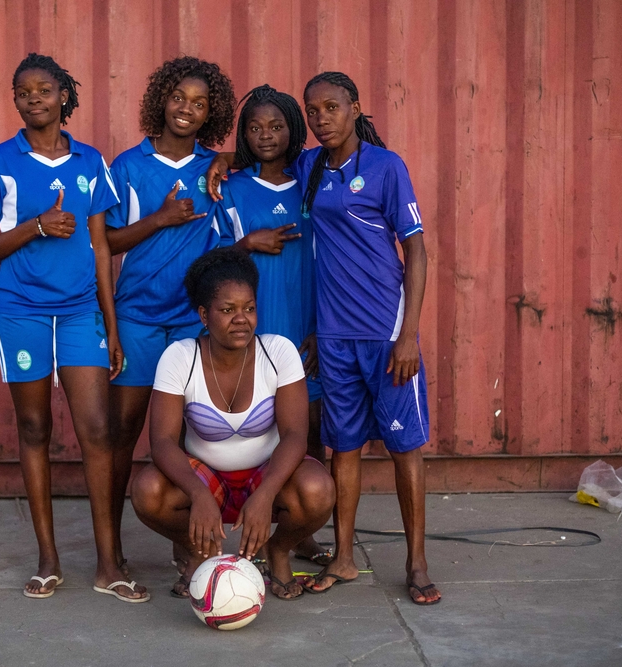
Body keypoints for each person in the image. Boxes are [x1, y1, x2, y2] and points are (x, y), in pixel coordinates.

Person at [207, 72, 440, 605]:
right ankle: (343, 558)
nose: (321, 118)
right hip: (333, 338)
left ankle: (417, 563)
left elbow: (416, 250)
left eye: (331, 107)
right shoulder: (309, 166)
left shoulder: (386, 166)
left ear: (355, 107)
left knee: (405, 448)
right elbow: (263, 151)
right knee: (343, 448)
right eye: (313, 111)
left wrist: (409, 334)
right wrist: (223, 159)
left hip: (385, 334)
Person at [0, 53, 147, 602]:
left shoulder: (90, 161)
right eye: (23, 93)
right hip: (20, 311)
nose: (34, 99)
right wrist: (36, 227)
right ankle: (48, 559)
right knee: (34, 429)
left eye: (44, 90)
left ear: (64, 95)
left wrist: (111, 326)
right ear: (15, 101)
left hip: (78, 313)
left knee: (97, 430)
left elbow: (102, 248)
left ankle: (109, 564)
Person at [130, 247, 335, 600]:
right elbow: (162, 441)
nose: (241, 319)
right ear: (203, 315)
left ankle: (277, 551)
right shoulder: (180, 357)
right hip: (205, 480)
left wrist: (266, 493)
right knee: (147, 491)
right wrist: (197, 493)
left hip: (267, 476)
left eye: (249, 308)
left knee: (318, 490)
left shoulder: (278, 352)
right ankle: (200, 551)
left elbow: (294, 435)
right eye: (227, 310)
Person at [104, 57, 237, 576]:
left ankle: (186, 547)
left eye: (200, 103)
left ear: (211, 114)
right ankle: (111, 547)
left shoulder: (213, 169)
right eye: (179, 97)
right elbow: (108, 241)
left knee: (183, 435)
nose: (186, 108)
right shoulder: (128, 166)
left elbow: (271, 155)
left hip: (188, 321)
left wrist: (226, 156)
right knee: (123, 432)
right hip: (137, 317)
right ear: (161, 99)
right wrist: (159, 218)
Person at [220, 85, 332, 567]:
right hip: (252, 336)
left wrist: (324, 328)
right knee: (257, 433)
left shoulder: (313, 180)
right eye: (254, 127)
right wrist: (247, 244)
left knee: (309, 434)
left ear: (294, 129)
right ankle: (252, 528)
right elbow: (212, 263)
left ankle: (301, 532)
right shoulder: (233, 188)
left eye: (276, 126)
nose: (265, 135)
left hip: (305, 331)